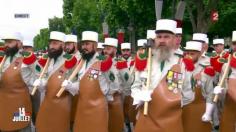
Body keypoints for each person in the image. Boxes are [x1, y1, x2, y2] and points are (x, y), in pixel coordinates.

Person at [131, 19, 194, 132]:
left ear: (175, 39)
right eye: (159, 37)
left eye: (166, 37)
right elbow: (135, 86)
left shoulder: (182, 64)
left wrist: (169, 104)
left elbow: (188, 95)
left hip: (170, 122)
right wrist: (139, 96)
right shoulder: (145, 60)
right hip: (146, 118)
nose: (162, 40)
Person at [61, 31, 111, 132]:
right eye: (83, 44)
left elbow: (114, 85)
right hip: (82, 107)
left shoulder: (103, 60)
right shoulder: (82, 61)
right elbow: (83, 84)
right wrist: (71, 86)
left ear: (95, 45)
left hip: (98, 109)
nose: (84, 47)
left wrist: (105, 96)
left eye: (87, 44)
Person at [0, 31, 37, 132]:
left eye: (10, 42)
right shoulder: (2, 57)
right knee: (5, 126)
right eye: (5, 42)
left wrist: (32, 82)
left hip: (21, 106)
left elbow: (40, 76)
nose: (6, 45)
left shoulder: (28, 57)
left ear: (20, 43)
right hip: (4, 105)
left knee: (22, 127)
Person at [182, 41, 215, 132]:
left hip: (198, 108)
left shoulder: (206, 70)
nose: (189, 56)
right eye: (187, 53)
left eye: (192, 54)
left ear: (200, 54)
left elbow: (210, 93)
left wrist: (208, 112)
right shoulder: (178, 67)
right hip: (181, 107)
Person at [213, 31, 236, 132]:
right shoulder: (227, 61)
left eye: (219, 45)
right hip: (226, 93)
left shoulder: (226, 57)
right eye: (234, 43)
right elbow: (222, 76)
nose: (217, 47)